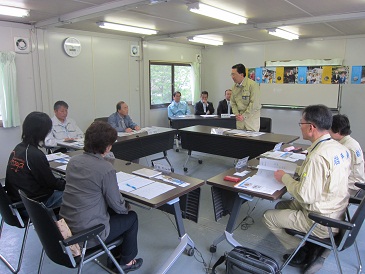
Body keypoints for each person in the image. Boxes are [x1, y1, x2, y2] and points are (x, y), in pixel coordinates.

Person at [263, 105, 350, 274]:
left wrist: (285, 178)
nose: (300, 125)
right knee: (281, 206)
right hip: (336, 210)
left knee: (268, 217)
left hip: (320, 219)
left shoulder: (317, 156)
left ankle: (304, 248)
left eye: (300, 122)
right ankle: (309, 243)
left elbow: (305, 196)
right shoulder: (337, 147)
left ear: (311, 127)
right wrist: (296, 172)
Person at [60, 121, 142, 272]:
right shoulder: (105, 169)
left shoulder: (73, 161)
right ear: (107, 147)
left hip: (69, 225)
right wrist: (127, 207)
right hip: (87, 234)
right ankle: (126, 262)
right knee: (131, 217)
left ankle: (114, 256)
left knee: (115, 213)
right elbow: (117, 204)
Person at [5, 111, 65, 208]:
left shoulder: (18, 148)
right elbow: (51, 183)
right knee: (74, 193)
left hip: (16, 200)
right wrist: (68, 183)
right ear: (42, 132)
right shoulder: (35, 155)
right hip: (33, 205)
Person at [330, 114, 365, 196]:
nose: (328, 132)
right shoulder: (352, 142)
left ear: (337, 130)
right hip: (358, 184)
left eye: (330, 129)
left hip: (351, 187)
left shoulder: (345, 147)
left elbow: (338, 172)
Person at [230, 63, 261, 131]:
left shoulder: (253, 85)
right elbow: (233, 102)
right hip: (240, 122)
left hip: (251, 122)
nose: (232, 77)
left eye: (234, 74)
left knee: (251, 141)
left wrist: (243, 116)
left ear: (241, 74)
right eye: (231, 74)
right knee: (240, 141)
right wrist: (237, 114)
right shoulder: (234, 87)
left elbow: (254, 104)